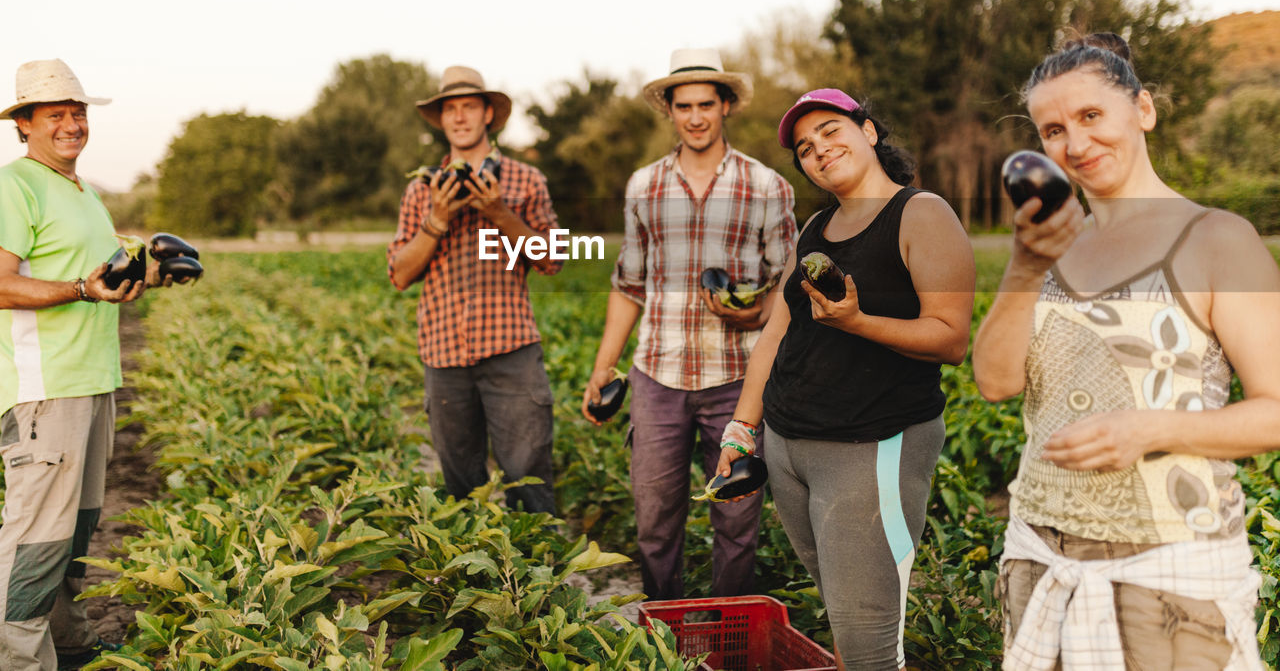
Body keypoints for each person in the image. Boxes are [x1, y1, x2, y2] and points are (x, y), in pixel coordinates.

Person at [972, 35, 1280, 670]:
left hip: (1169, 572)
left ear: (1143, 110)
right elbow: (994, 382)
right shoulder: (1045, 248)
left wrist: (1152, 428)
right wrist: (1026, 267)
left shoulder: (1217, 238)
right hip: (1039, 559)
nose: (1075, 145)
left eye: (1091, 117)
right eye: (1052, 130)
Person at [714, 88, 974, 669]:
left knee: (869, 643)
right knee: (843, 609)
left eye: (831, 131)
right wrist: (741, 429)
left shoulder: (920, 213)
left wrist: (859, 322)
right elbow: (777, 335)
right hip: (788, 447)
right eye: (806, 148)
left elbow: (951, 338)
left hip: (870, 448)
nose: (820, 150)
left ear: (869, 131)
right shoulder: (815, 227)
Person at [581, 48, 797, 600]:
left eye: (707, 103)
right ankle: (662, 636)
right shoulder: (644, 187)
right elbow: (629, 285)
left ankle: (730, 633)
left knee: (737, 523)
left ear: (726, 106)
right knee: (654, 524)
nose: (696, 116)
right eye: (685, 106)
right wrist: (603, 368)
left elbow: (788, 290)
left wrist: (754, 310)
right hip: (658, 375)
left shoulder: (766, 186)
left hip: (738, 380)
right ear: (670, 112)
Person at [0, 60, 160, 670]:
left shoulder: (84, 193)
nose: (71, 125)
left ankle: (69, 647)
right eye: (55, 115)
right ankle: (17, 661)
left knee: (73, 535)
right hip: (45, 391)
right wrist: (81, 290)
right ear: (24, 124)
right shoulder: (15, 185)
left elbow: (98, 277)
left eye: (78, 113)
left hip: (93, 382)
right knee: (35, 540)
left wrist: (143, 274)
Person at [388, 65, 563, 514]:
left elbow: (552, 258)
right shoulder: (421, 190)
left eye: (469, 106)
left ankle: (539, 577)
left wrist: (500, 212)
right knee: (460, 489)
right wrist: (438, 219)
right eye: (450, 109)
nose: (460, 117)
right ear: (441, 120)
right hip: (444, 354)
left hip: (511, 350)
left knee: (529, 482)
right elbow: (400, 274)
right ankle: (474, 580)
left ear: (488, 114)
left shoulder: (525, 180)